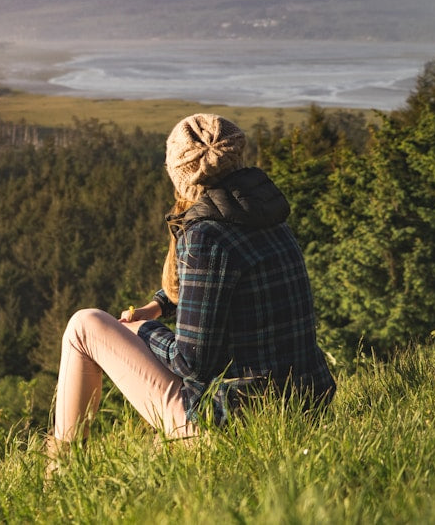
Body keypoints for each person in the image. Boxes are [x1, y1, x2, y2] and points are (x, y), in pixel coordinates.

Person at [49, 113, 336, 460]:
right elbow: (221, 287)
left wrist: (145, 330)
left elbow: (191, 363)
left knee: (84, 325)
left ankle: (61, 466)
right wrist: (159, 305)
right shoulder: (267, 216)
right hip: (308, 407)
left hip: (240, 422)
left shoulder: (206, 237)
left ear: (180, 173)